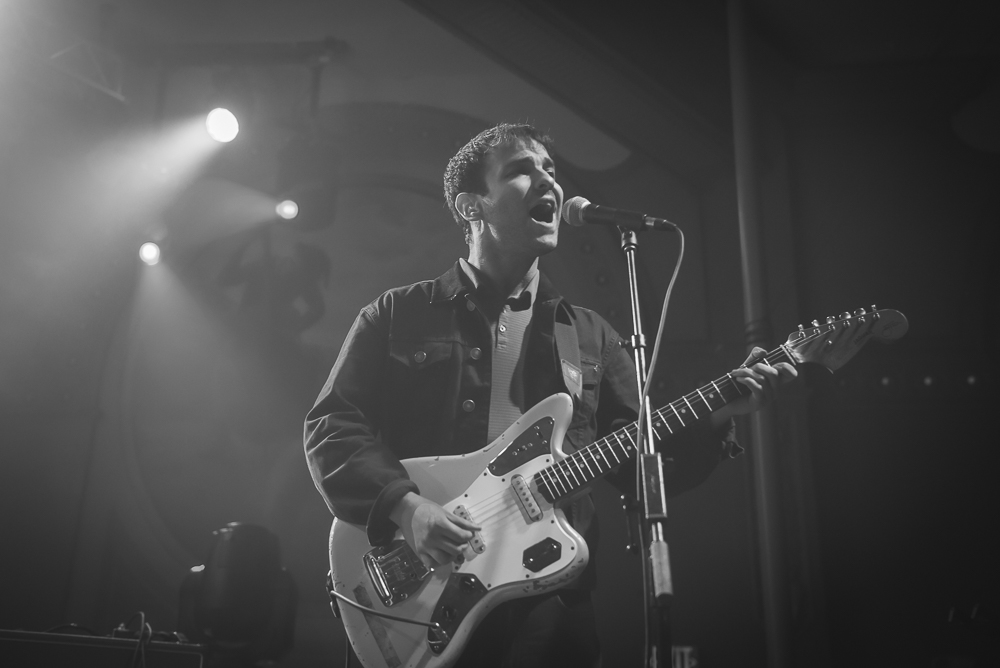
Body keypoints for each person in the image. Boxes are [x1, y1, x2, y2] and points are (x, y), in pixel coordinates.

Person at [304, 123, 796, 668]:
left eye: (551, 171)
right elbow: (332, 427)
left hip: (550, 604)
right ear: (472, 206)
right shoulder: (397, 315)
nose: (547, 181)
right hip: (423, 584)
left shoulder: (590, 336)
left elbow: (638, 465)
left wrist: (718, 415)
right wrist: (406, 507)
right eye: (521, 170)